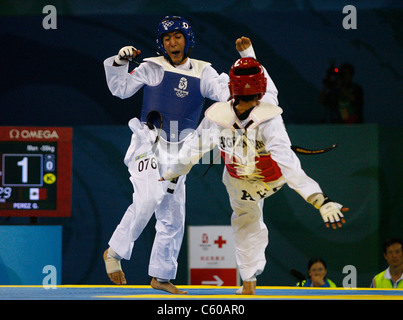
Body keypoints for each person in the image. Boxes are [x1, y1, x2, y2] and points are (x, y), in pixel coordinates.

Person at [102, 15, 278, 294]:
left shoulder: (204, 72)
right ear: (161, 44)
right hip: (148, 142)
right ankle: (114, 251)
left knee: (172, 216)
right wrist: (120, 62)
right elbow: (119, 89)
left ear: (188, 40)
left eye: (178, 37)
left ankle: (161, 276)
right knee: (149, 197)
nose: (172, 42)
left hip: (179, 151)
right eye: (167, 38)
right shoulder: (151, 67)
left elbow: (231, 93)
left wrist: (248, 60)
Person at [161, 57, 349, 295]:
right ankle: (248, 281)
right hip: (244, 180)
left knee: (245, 221)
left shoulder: (267, 116)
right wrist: (320, 201)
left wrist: (173, 172)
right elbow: (289, 163)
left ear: (231, 88)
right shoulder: (223, 114)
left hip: (266, 177)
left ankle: (249, 280)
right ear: (259, 90)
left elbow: (195, 148)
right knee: (246, 220)